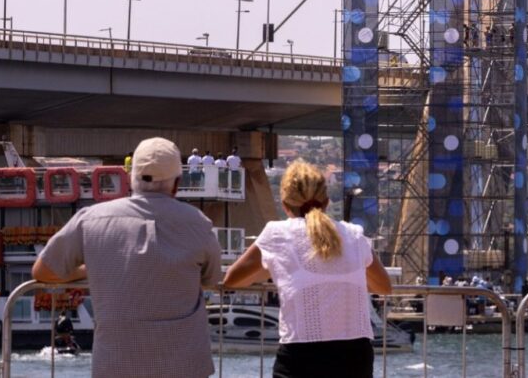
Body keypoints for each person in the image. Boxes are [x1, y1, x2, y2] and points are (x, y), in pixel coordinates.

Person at [33, 137, 221, 378]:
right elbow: (211, 278)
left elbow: (43, 271)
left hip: (116, 365)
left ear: (131, 179)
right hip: (184, 365)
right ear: (176, 184)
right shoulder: (198, 223)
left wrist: (90, 269)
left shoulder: (91, 219)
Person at [224, 160, 392, 378]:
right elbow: (384, 286)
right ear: (327, 202)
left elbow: (232, 279)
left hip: (301, 357)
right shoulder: (354, 235)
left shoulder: (277, 234)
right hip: (355, 356)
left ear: (284, 204)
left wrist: (275, 269)